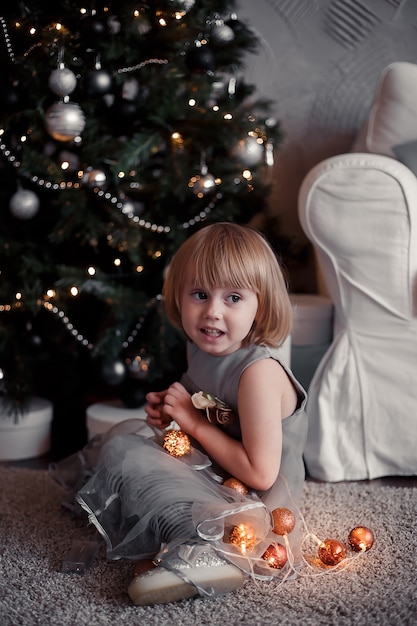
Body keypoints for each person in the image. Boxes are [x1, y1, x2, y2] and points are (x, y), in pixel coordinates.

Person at [75, 222, 308, 606]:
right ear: (179, 298)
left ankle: (208, 551)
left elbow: (261, 473)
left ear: (260, 305)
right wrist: (170, 412)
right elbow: (202, 403)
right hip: (217, 467)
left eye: (233, 298)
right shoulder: (198, 347)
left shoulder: (258, 374)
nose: (212, 312)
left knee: (132, 458)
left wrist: (192, 422)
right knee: (125, 437)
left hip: (254, 499)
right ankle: (180, 530)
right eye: (200, 294)